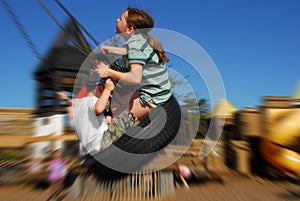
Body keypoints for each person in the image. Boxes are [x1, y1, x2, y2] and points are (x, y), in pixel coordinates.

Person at [94, 7, 172, 149]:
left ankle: (110, 148)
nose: (117, 20)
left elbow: (135, 78)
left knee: (114, 128)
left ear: (129, 29)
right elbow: (130, 51)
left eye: (121, 19)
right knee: (119, 106)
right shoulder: (139, 40)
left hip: (153, 96)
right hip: (159, 89)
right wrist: (111, 49)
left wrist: (108, 72)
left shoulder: (135, 43)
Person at [57, 73, 115, 156]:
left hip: (87, 153)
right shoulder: (93, 100)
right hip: (101, 148)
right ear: (101, 88)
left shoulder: (79, 106)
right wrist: (108, 89)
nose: (110, 95)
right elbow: (98, 109)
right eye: (110, 92)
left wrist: (67, 100)